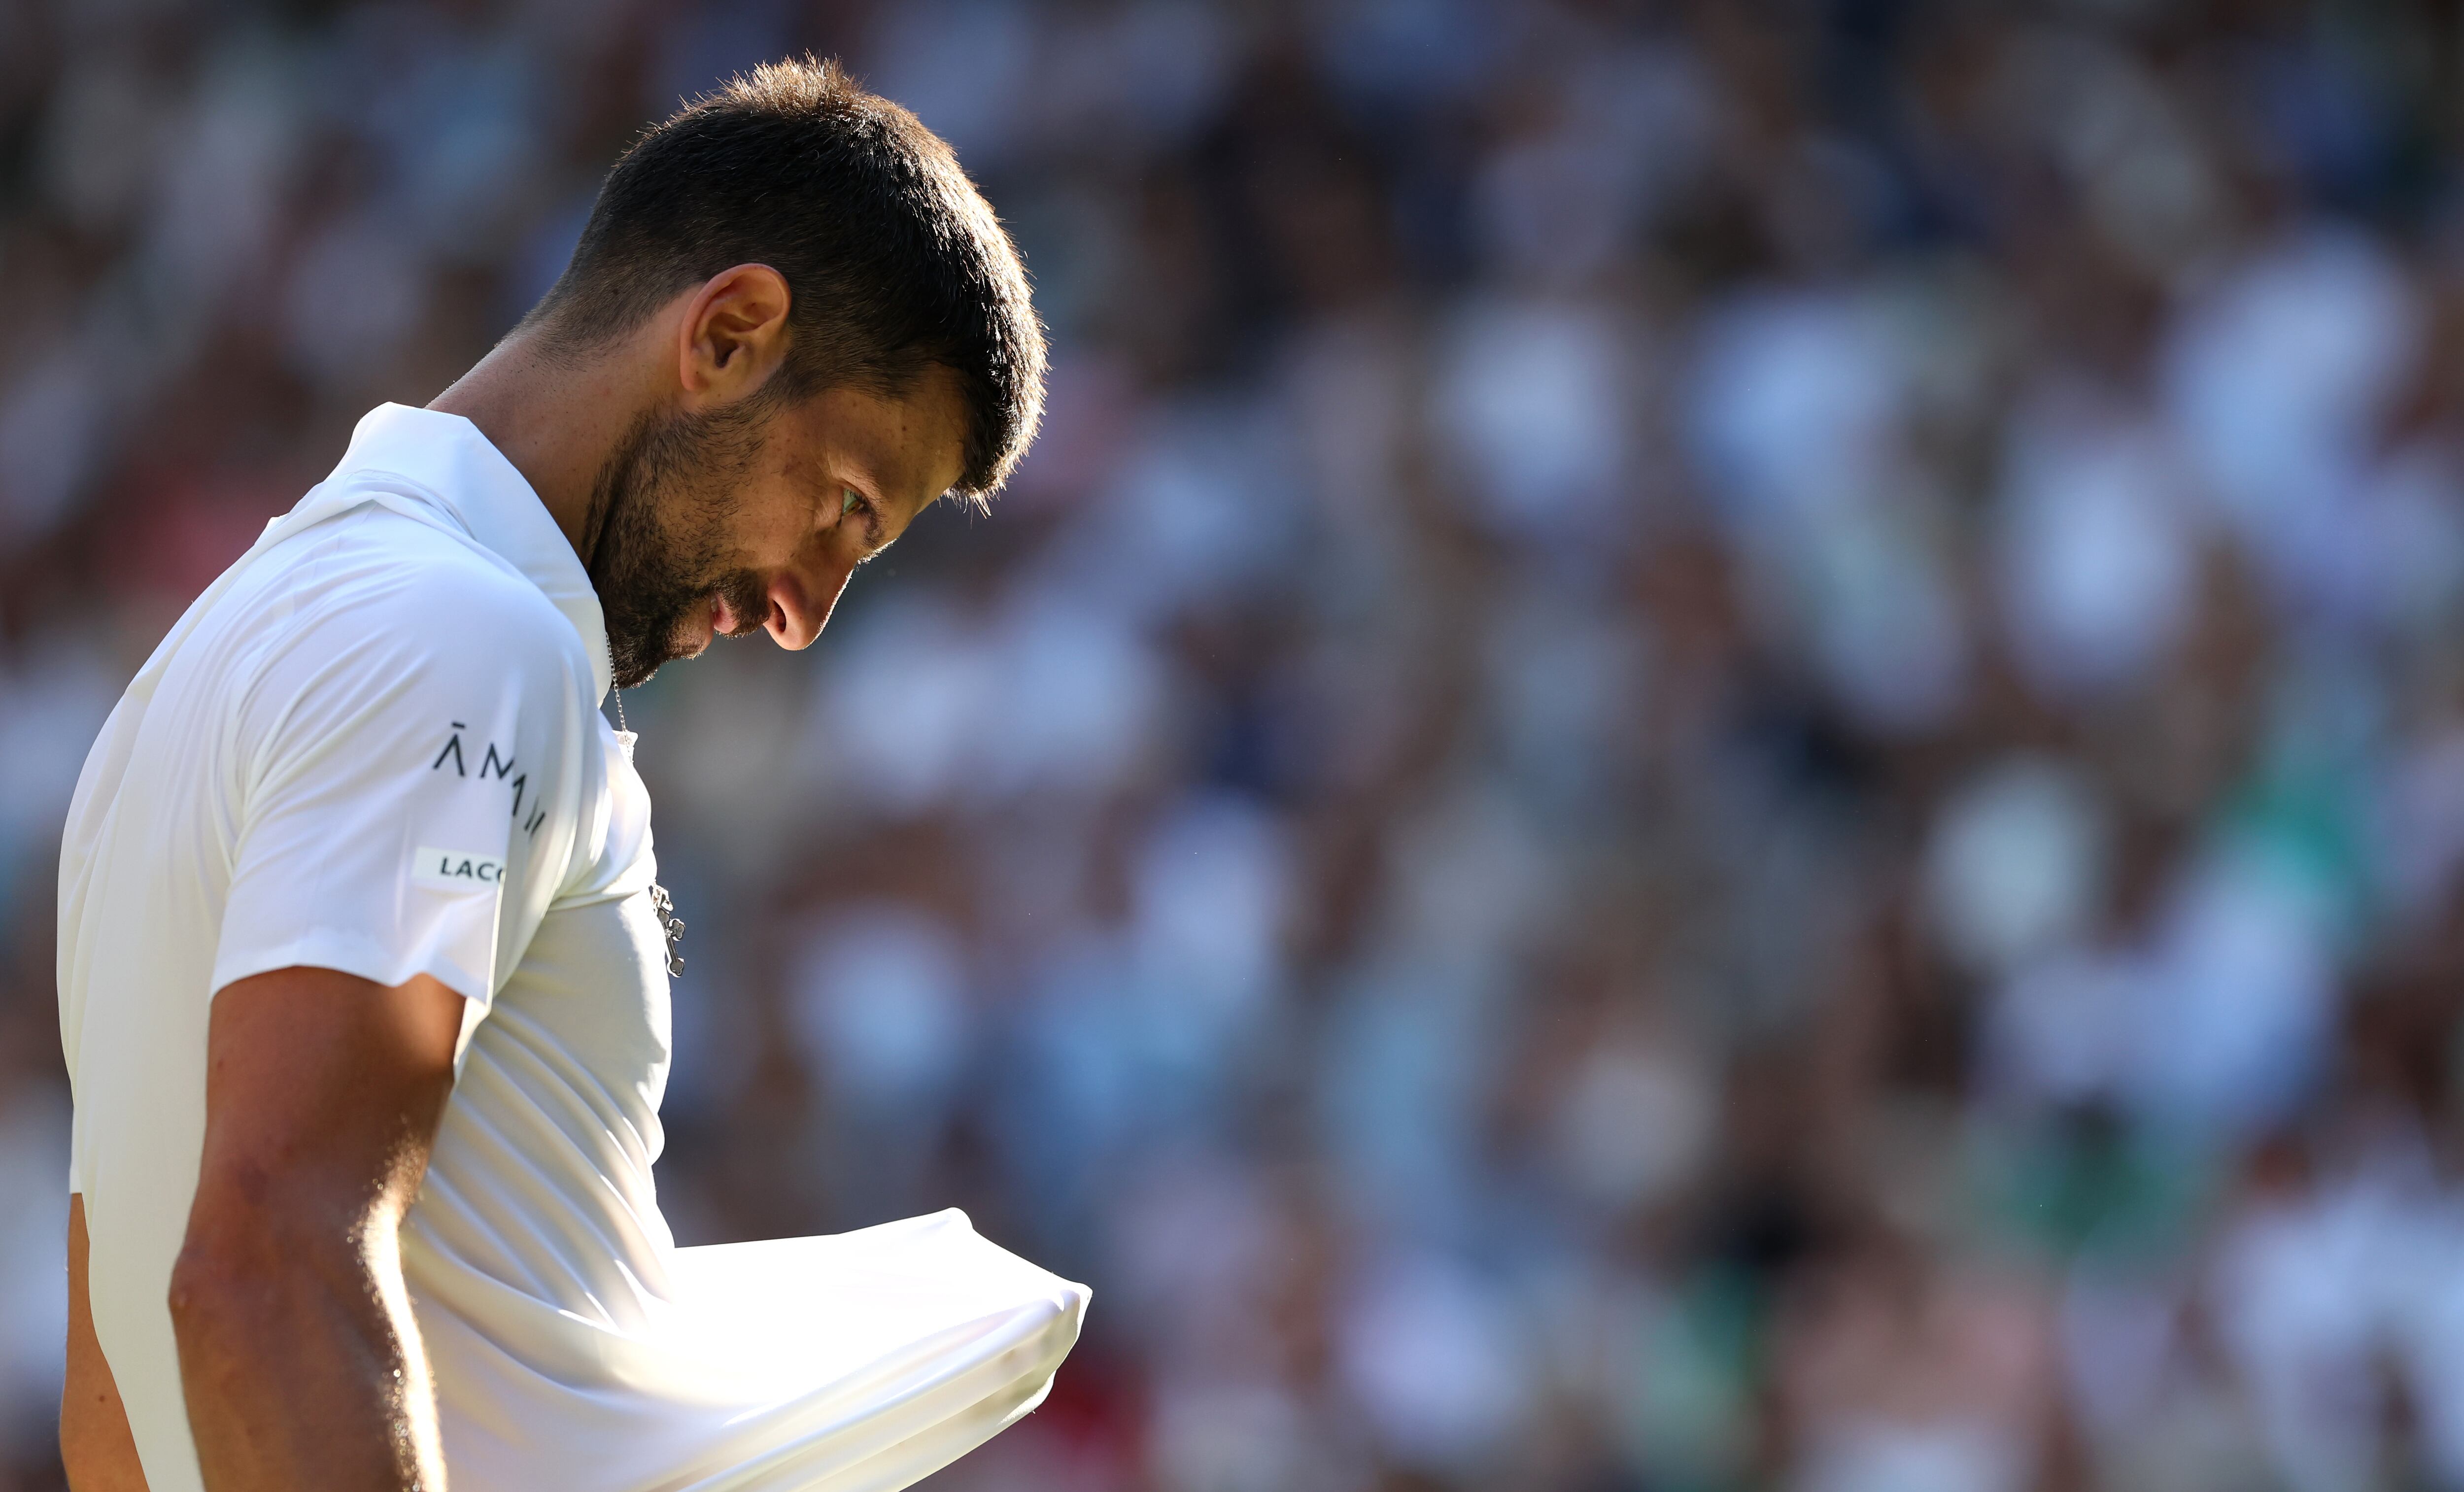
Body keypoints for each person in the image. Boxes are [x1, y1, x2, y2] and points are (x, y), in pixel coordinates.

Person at [55, 58, 1087, 1492]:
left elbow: (116, 1393)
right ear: (728, 334)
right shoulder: (465, 640)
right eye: (843, 504)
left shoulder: (221, 648)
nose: (806, 612)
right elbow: (267, 1261)